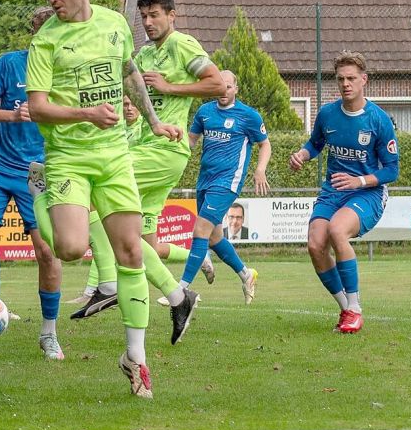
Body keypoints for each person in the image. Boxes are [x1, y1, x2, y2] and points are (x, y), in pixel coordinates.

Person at [26, 0, 184, 398]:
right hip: (68, 158)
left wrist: (153, 123)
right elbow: (37, 107)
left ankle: (136, 359)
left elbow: (129, 73)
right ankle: (39, 191)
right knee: (73, 248)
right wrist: (85, 113)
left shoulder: (115, 23)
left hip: (114, 156)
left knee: (131, 251)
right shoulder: (46, 41)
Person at [68, 0, 225, 308]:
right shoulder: (145, 54)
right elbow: (132, 90)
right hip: (148, 146)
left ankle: (108, 284)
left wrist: (170, 87)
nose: (149, 22)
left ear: (172, 15)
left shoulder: (182, 44)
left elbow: (217, 83)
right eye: (144, 17)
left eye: (155, 15)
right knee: (144, 241)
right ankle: (180, 298)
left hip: (164, 149)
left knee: (96, 190)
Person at [0, 7, 63, 360]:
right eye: (41, 30)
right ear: (33, 33)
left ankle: (49, 334)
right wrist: (12, 114)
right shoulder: (8, 64)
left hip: (39, 170)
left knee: (47, 251)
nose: (47, 36)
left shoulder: (69, 69)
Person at [289, 51, 398, 333]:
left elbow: (391, 170)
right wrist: (302, 153)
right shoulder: (327, 113)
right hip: (333, 191)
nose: (346, 84)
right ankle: (346, 308)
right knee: (315, 244)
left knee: (338, 231)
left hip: (368, 193)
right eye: (341, 79)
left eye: (351, 78)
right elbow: (315, 143)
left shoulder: (378, 120)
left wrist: (358, 181)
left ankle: (356, 309)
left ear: (364, 80)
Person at [166, 70, 271, 305]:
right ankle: (246, 274)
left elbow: (265, 144)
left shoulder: (249, 116)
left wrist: (260, 169)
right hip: (205, 180)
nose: (224, 91)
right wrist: (173, 148)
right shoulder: (205, 112)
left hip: (227, 182)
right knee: (214, 237)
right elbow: (191, 140)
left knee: (199, 231)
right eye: (220, 87)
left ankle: (180, 290)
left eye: (229, 87)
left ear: (236, 89)